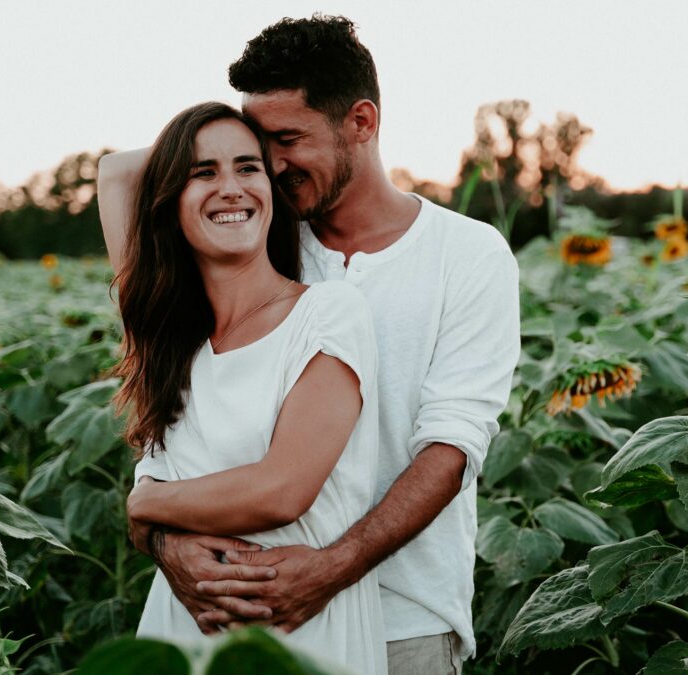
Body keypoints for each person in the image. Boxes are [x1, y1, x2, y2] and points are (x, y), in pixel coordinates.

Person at [98, 15, 520, 674]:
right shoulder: (258, 244)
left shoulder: (466, 253)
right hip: (228, 599)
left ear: (361, 122)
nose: (271, 163)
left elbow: (451, 444)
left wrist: (330, 568)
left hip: (405, 612)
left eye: (286, 139)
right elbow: (181, 391)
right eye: (256, 142)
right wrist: (163, 537)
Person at [101, 101, 387, 674]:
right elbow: (115, 172)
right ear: (169, 200)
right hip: (183, 622)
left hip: (301, 633)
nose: (230, 188)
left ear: (272, 188)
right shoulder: (167, 332)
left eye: (248, 168)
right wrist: (164, 543)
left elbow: (282, 489)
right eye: (202, 173)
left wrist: (147, 505)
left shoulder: (327, 313)